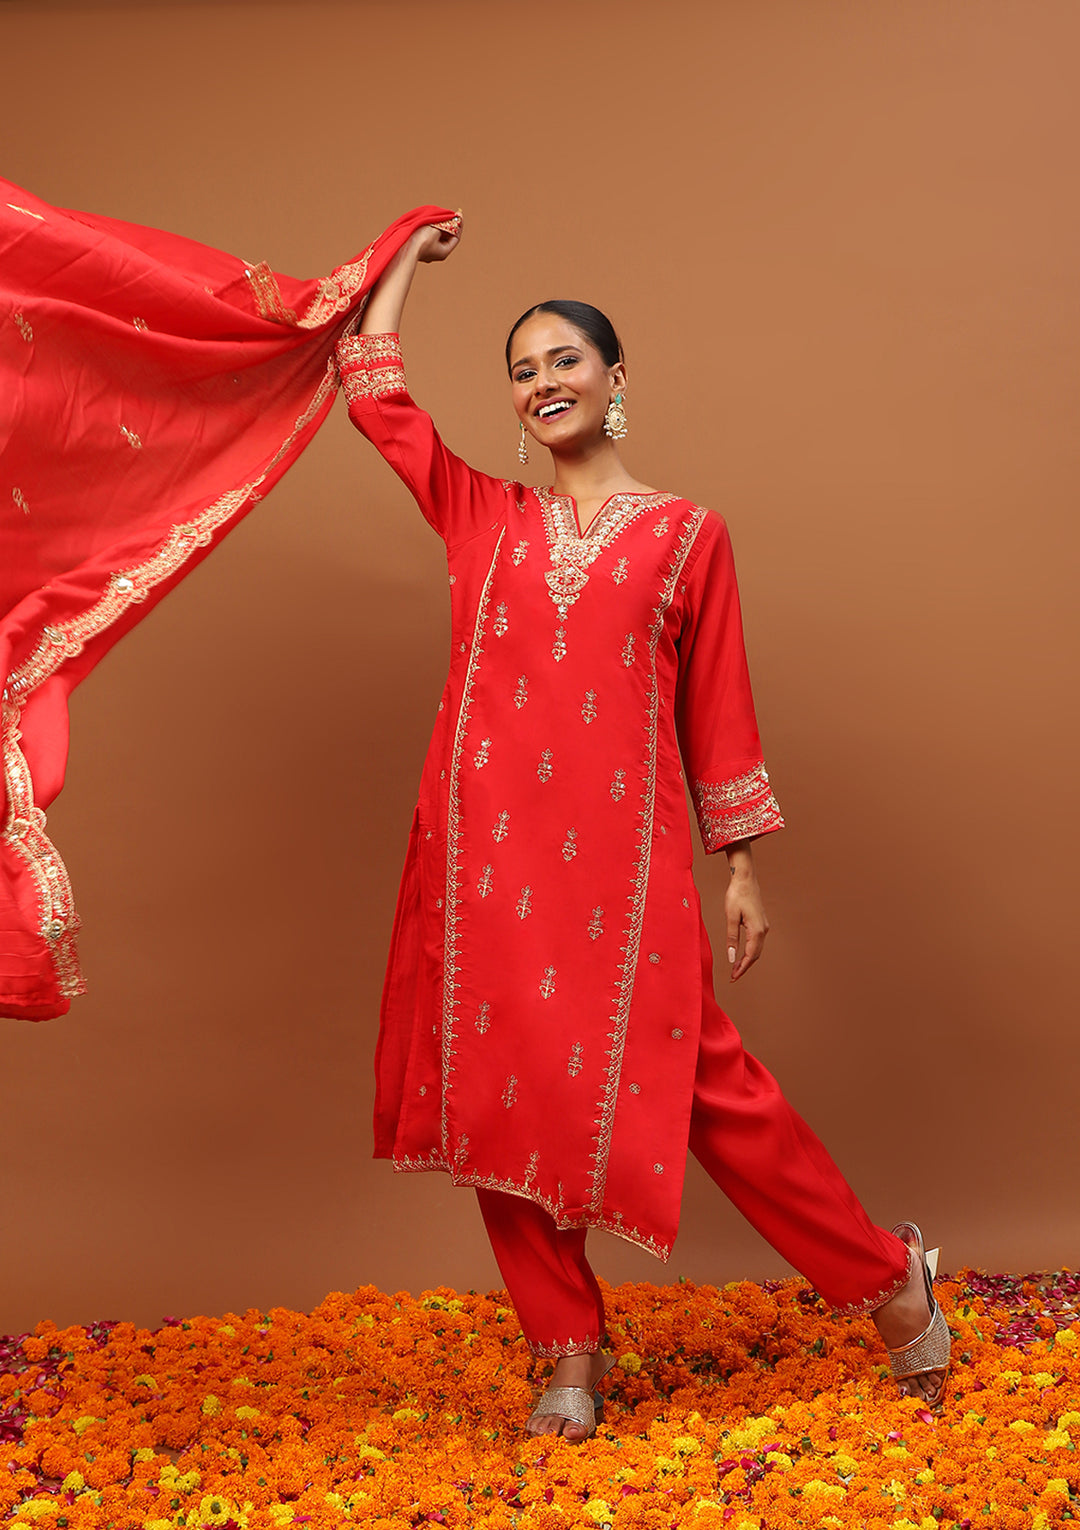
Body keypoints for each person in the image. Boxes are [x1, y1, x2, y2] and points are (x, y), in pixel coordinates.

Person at [335, 220, 950, 1441]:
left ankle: (888, 1277)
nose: (543, 382)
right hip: (485, 860)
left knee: (713, 1090)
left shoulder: (686, 535)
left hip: (623, 866)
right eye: (522, 369)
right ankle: (567, 1349)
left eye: (565, 360)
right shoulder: (481, 515)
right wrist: (401, 256)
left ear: (615, 378)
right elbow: (373, 391)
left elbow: (717, 708)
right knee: (502, 1095)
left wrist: (742, 867)